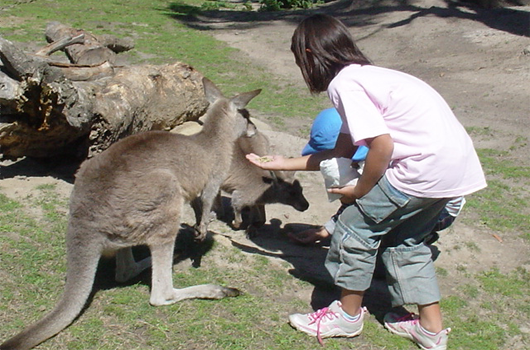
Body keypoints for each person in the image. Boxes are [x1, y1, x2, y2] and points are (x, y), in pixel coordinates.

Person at [246, 14, 486, 350]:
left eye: (300, 59)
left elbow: (382, 145)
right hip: (454, 172)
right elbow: (341, 152)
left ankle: (346, 316)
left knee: (354, 230)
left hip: (421, 169)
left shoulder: (344, 85)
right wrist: (282, 162)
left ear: (311, 55)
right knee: (408, 243)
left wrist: (359, 191)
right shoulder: (371, 78)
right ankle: (431, 331)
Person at [290, 107, 465, 246]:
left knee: (385, 245)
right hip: (416, 201)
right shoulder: (374, 153)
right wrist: (326, 230)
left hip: (440, 211)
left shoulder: (385, 163)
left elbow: (367, 203)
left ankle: (416, 237)